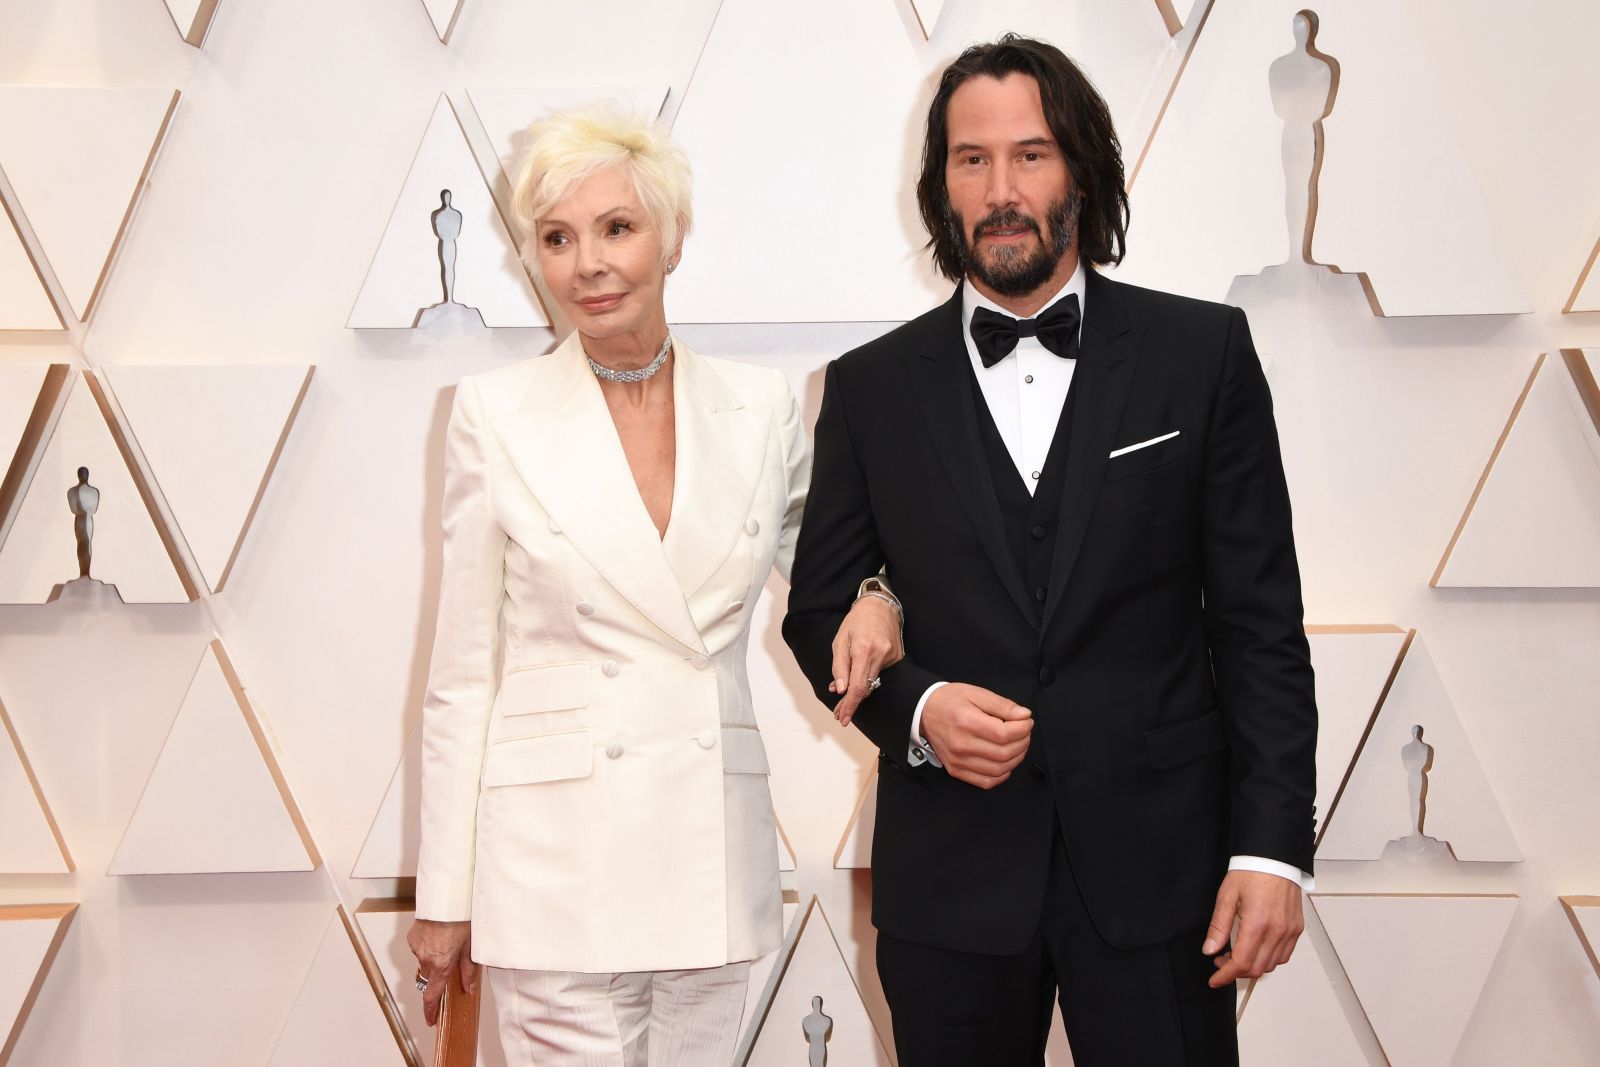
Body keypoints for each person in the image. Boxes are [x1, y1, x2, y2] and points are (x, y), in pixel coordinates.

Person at [783, 36, 1318, 1066]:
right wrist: (924, 711)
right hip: (951, 878)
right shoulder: (869, 387)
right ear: (940, 186)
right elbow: (818, 612)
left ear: (1081, 166)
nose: (999, 190)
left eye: (1029, 154)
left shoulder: (1200, 355)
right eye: (969, 160)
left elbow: (1258, 622)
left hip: (1166, 874)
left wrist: (1270, 845)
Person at [407, 104, 903, 1066]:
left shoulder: (759, 410)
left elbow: (832, 568)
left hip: (706, 847)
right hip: (553, 860)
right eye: (557, 238)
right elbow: (463, 671)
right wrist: (445, 897)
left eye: (616, 228)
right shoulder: (493, 414)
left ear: (672, 239)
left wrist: (880, 594)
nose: (587, 263)